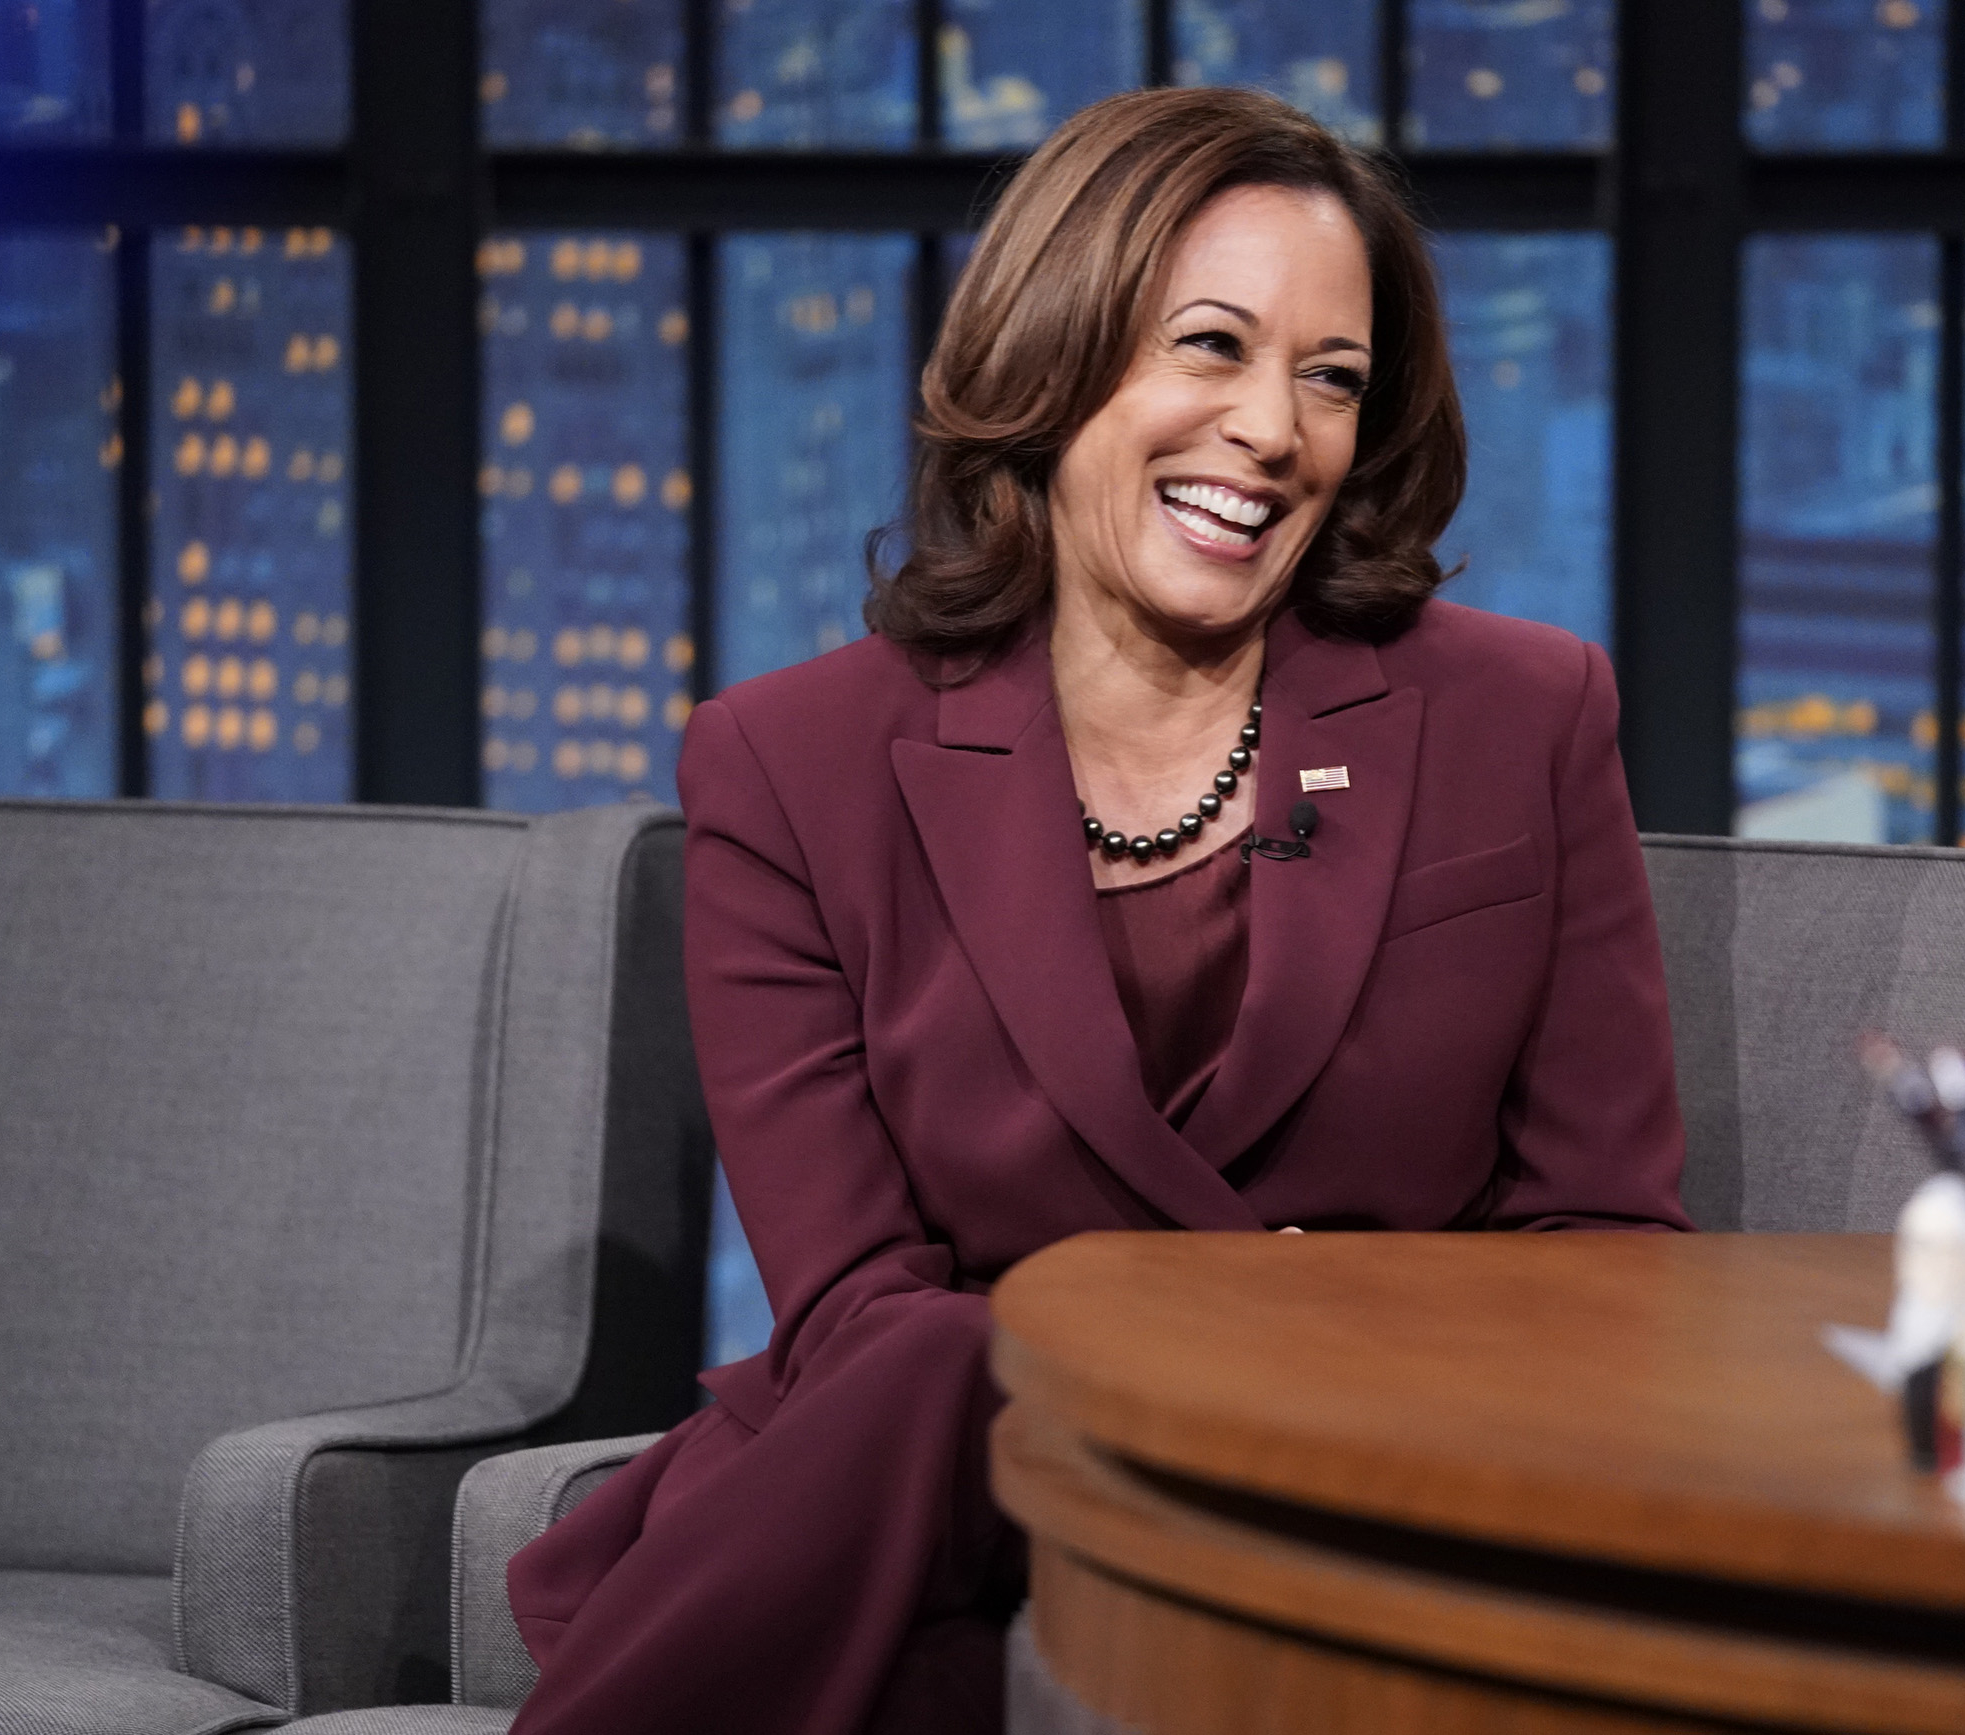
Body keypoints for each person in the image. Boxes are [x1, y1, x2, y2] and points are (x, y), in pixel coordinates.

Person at [504, 85, 1689, 1735]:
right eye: (1209, 345)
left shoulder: (1519, 718)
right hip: (946, 1486)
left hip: (1355, 1473)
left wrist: (1278, 1374)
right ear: (1052, 358)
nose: (1274, 429)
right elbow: (852, 1301)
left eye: (1330, 379)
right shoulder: (788, 764)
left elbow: (1606, 1242)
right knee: (930, 1391)